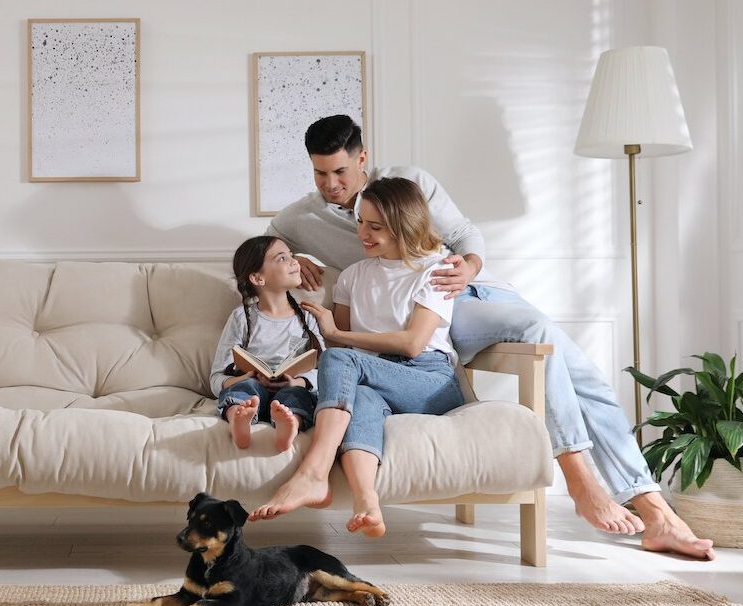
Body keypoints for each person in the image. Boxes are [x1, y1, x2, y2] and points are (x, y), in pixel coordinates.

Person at [259, 114, 714, 560]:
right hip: (418, 319)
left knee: (577, 370)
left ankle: (622, 497)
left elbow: (463, 235)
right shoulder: (307, 217)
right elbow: (269, 240)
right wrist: (295, 258)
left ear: (363, 158)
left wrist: (466, 270)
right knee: (558, 354)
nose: (331, 183)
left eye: (340, 170)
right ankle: (641, 509)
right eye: (320, 173)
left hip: (463, 294)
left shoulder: (407, 183)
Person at [252, 177, 465, 537]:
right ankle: (367, 501)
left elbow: (414, 343)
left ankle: (313, 472)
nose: (362, 233)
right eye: (361, 222)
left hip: (428, 380)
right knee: (360, 396)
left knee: (344, 361)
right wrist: (310, 355)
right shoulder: (352, 276)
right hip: (375, 379)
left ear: (403, 225)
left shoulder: (437, 270)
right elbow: (340, 356)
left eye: (375, 226)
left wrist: (335, 334)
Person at [210, 236, 325, 451]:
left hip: (291, 388)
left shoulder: (307, 317)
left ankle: (289, 425)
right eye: (282, 258)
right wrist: (244, 378)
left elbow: (326, 372)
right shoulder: (241, 318)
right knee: (246, 388)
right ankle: (239, 418)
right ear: (258, 278)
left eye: (292, 255)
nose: (294, 262)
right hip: (252, 389)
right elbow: (216, 377)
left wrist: (297, 383)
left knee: (296, 397)